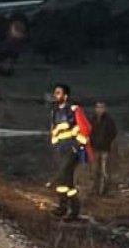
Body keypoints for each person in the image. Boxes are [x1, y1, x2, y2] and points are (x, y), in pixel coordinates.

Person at [49, 84, 92, 221]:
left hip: (72, 149)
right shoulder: (54, 112)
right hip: (61, 149)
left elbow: (86, 128)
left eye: (58, 93)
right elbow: (54, 131)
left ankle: (72, 209)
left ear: (65, 96)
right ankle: (65, 208)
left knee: (64, 176)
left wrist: (78, 145)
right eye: (55, 93)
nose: (56, 95)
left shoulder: (74, 110)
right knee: (65, 179)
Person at [89, 101, 119, 197]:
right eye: (98, 107)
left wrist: (107, 141)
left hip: (105, 148)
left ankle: (105, 190)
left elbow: (113, 132)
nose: (99, 109)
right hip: (94, 148)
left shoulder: (109, 120)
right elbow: (89, 131)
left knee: (104, 170)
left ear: (104, 108)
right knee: (94, 170)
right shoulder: (92, 119)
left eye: (101, 107)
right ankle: (95, 189)